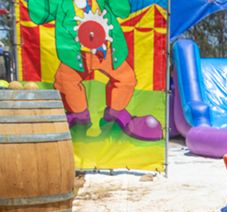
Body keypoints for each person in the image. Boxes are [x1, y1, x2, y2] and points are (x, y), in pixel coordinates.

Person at [27, 0, 162, 140]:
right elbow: (39, 15)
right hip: (76, 54)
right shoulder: (63, 3)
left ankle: (115, 117)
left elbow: (122, 10)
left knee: (125, 79)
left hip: (106, 50)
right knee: (65, 81)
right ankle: (79, 119)